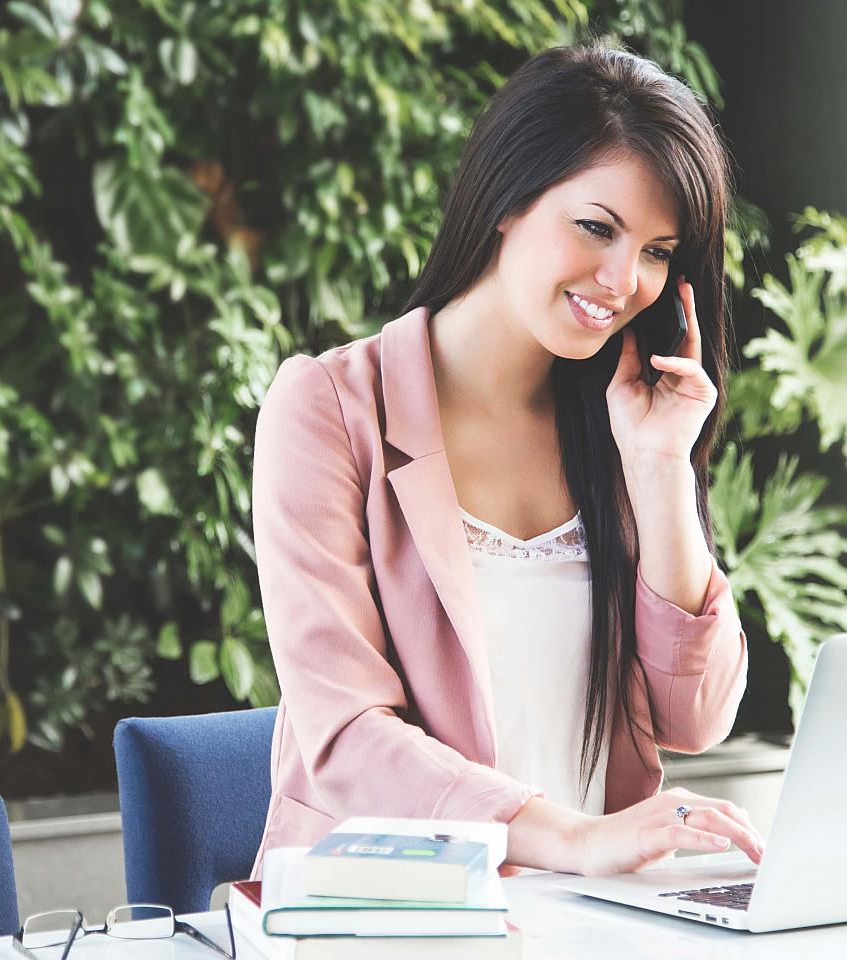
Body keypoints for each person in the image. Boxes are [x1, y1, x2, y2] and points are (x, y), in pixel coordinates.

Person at [250, 40, 765, 878]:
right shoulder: (331, 408)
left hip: (591, 918)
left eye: (659, 251)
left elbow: (695, 717)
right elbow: (344, 735)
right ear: (505, 200)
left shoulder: (622, 422)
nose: (622, 278)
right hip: (393, 911)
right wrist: (571, 837)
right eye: (597, 227)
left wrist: (662, 469)